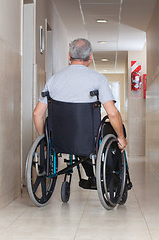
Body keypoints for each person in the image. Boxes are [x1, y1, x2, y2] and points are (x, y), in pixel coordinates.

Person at [33, 38, 127, 189]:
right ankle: (110, 178)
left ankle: (90, 175)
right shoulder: (99, 80)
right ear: (90, 57)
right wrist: (121, 138)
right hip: (88, 139)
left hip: (60, 140)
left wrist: (46, 142)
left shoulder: (53, 80)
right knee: (115, 129)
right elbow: (113, 114)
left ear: (69, 57)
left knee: (80, 136)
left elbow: (37, 114)